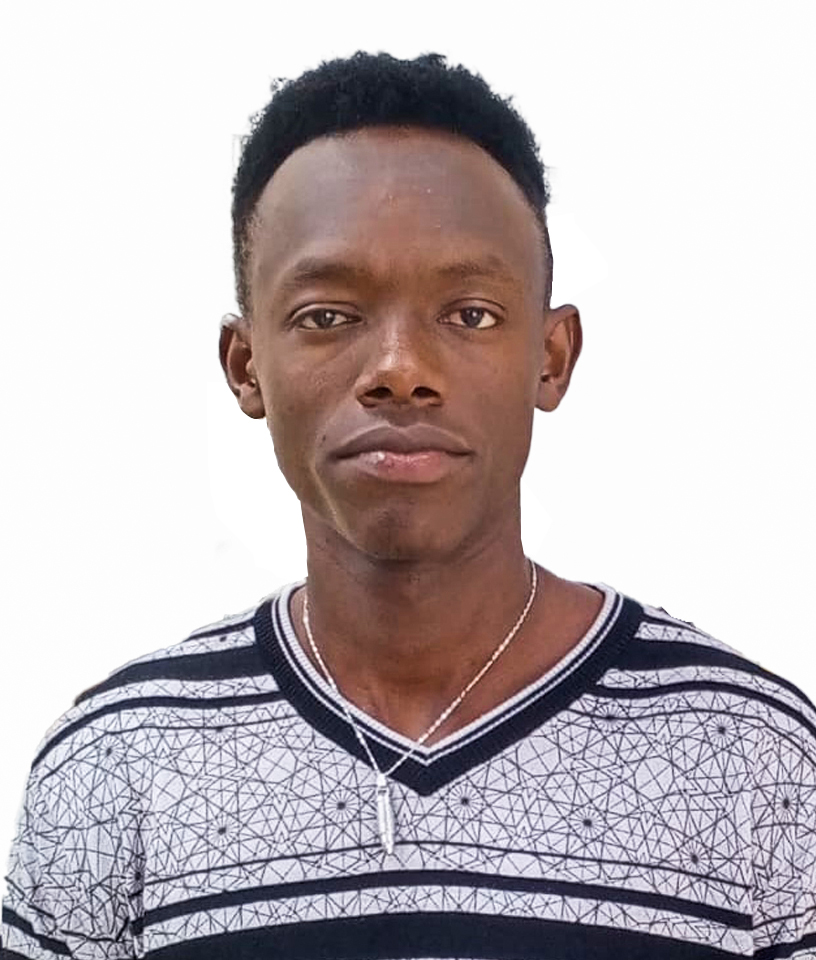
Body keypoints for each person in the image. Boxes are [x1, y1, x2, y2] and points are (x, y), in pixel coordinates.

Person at [2, 51, 815, 960]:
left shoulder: (752, 759)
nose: (399, 369)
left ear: (551, 358)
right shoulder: (117, 768)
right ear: (245, 366)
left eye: (470, 314)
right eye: (327, 316)